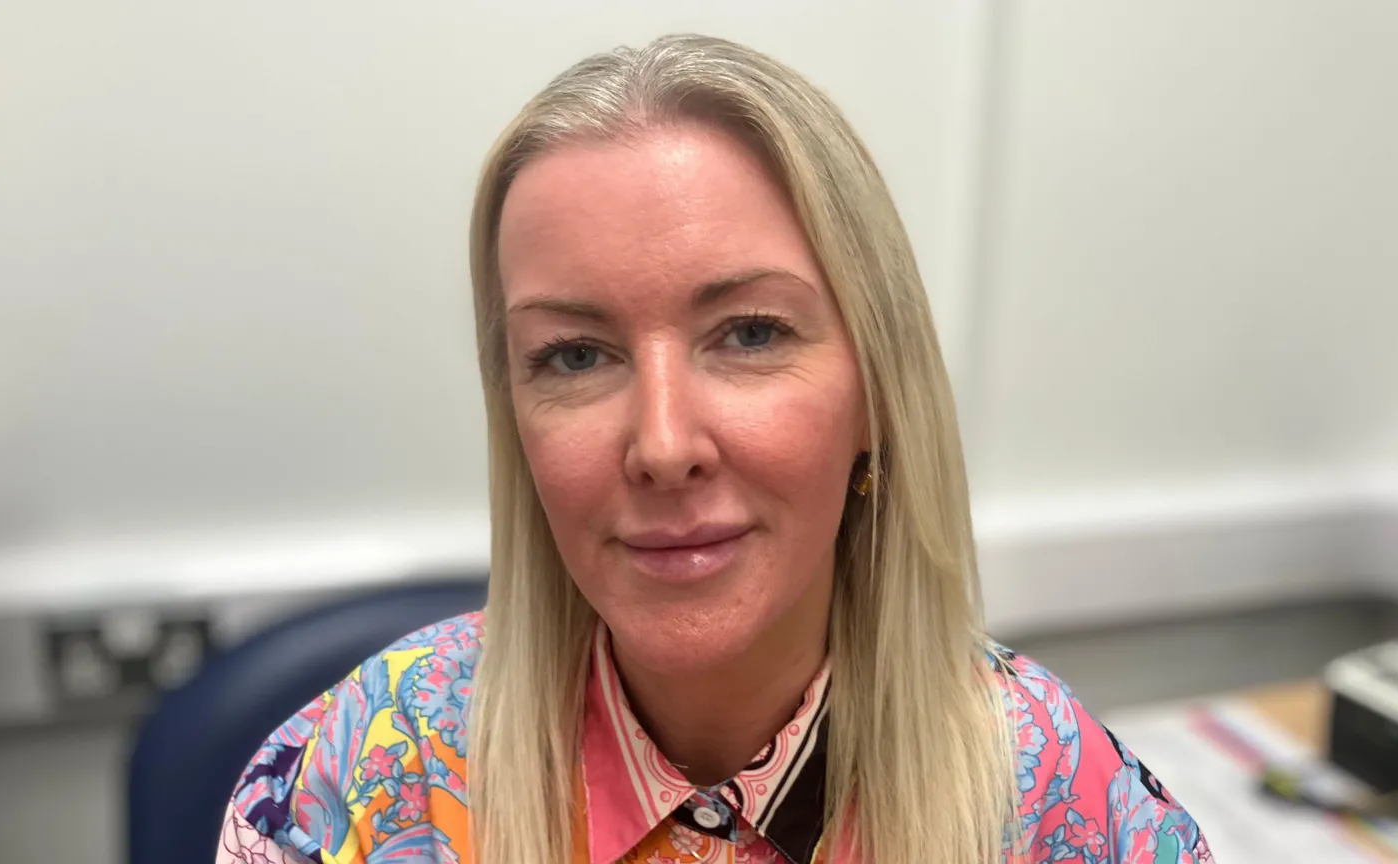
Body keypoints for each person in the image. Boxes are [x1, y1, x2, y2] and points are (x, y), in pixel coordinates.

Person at [218, 34, 1214, 864]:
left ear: (877, 394)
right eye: (573, 355)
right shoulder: (365, 778)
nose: (661, 445)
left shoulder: (1057, 802)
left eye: (749, 334)